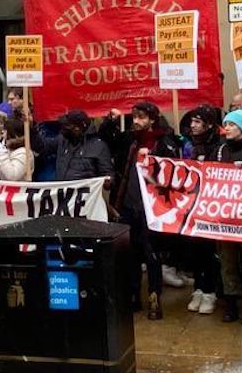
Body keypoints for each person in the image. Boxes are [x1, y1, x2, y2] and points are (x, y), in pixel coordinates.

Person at [100, 101, 182, 320]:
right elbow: (106, 137)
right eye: (134, 117)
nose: (136, 122)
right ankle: (134, 294)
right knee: (131, 254)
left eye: (141, 117)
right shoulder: (129, 140)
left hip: (152, 208)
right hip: (128, 203)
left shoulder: (163, 142)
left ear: (152, 119)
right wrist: (111, 120)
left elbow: (174, 172)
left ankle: (154, 295)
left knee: (151, 253)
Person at [183, 105, 224, 316]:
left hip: (211, 205)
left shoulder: (218, 146)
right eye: (192, 121)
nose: (193, 126)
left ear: (208, 124)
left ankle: (210, 290)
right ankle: (198, 288)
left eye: (198, 122)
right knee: (195, 250)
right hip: (193, 204)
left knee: (209, 251)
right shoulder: (190, 145)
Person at [215, 110, 242, 323]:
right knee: (227, 261)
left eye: (232, 124)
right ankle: (230, 303)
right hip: (224, 215)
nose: (226, 128)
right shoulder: (220, 150)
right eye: (225, 124)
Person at [47, 110, 112, 182]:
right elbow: (42, 147)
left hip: (87, 192)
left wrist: (108, 182)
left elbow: (107, 174)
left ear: (77, 128)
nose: (65, 129)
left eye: (68, 126)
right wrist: (33, 129)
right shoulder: (62, 140)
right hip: (62, 190)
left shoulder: (99, 147)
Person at [0, 117, 33, 182]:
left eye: (5, 131)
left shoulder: (24, 154)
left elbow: (12, 176)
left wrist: (1, 154)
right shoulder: (9, 149)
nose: (2, 133)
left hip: (18, 191)